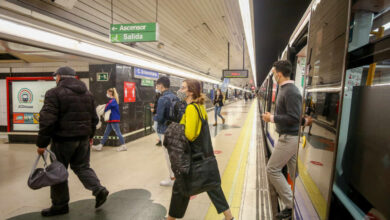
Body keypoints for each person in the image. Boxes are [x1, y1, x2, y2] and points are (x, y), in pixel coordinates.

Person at [36, 66, 109, 217]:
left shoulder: (53, 93)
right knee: (82, 167)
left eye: (55, 77)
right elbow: (94, 119)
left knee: (58, 171)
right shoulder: (88, 94)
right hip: (83, 139)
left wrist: (42, 143)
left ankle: (60, 205)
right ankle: (98, 189)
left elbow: (47, 120)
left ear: (59, 77)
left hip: (62, 140)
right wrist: (90, 136)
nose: (55, 79)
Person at [167, 79, 234, 220]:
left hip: (194, 158)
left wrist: (177, 129)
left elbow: (190, 135)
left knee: (180, 188)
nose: (180, 90)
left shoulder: (191, 108)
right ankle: (229, 217)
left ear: (191, 91)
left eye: (183, 88)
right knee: (212, 187)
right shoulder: (199, 106)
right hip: (205, 157)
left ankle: (170, 219)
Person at [262, 60, 311, 219]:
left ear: (279, 74)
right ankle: (299, 203)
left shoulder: (291, 91)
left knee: (272, 169)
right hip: (287, 137)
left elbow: (294, 117)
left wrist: (272, 118)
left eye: (275, 72)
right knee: (294, 172)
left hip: (289, 138)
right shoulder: (284, 89)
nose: (274, 75)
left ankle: (290, 205)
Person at [155, 76, 179, 186]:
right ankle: (176, 176)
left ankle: (172, 178)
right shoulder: (175, 97)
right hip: (175, 128)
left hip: (164, 130)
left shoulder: (162, 99)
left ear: (161, 85)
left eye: (157, 85)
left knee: (168, 154)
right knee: (174, 153)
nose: (156, 87)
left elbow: (159, 118)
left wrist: (154, 116)